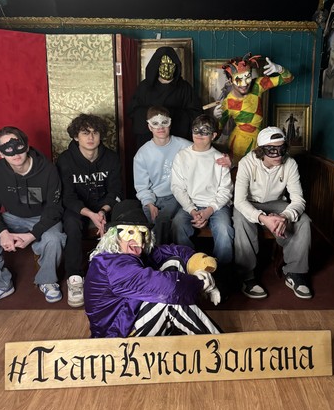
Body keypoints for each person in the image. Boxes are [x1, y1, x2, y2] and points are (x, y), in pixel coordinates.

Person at [84, 199, 221, 338]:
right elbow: (170, 287)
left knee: (175, 262)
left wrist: (198, 264)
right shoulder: (111, 265)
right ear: (114, 235)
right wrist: (201, 283)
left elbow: (173, 251)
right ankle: (222, 346)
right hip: (115, 336)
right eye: (130, 232)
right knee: (171, 301)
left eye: (143, 233)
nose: (139, 240)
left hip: (129, 313)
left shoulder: (133, 252)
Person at [0, 126, 66, 310]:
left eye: (18, 145)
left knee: (54, 238)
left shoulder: (48, 170)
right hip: (12, 217)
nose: (14, 153)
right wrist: (2, 232)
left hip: (43, 217)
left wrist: (33, 235)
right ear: (0, 153)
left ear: (26, 146)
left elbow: (54, 209)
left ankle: (47, 280)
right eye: (7, 148)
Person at [233, 126, 312, 300]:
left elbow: (298, 200)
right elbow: (239, 201)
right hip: (250, 202)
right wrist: (262, 219)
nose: (278, 155)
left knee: (304, 221)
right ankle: (247, 275)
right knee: (240, 220)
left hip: (277, 203)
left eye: (282, 149)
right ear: (261, 150)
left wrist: (285, 216)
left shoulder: (290, 164)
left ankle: (295, 273)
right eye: (272, 150)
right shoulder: (247, 163)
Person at [56, 113, 123, 308]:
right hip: (78, 207)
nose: (91, 137)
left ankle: (118, 274)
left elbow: (116, 191)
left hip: (104, 205)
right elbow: (67, 197)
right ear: (76, 137)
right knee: (71, 224)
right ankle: (75, 278)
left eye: (95, 132)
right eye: (85, 133)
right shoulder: (65, 160)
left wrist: (102, 211)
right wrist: (90, 214)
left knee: (123, 220)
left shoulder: (111, 158)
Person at [171, 114, 234, 286]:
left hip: (216, 206)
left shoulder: (219, 158)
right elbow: (177, 187)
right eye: (196, 130)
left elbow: (225, 190)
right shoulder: (182, 156)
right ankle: (189, 269)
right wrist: (192, 210)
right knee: (178, 224)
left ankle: (220, 276)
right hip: (190, 205)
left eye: (205, 131)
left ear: (213, 135)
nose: (199, 134)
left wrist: (208, 211)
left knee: (224, 229)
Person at [214, 54, 294, 165]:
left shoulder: (257, 85)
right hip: (239, 144)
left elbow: (289, 78)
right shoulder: (227, 103)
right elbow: (216, 133)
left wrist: (279, 69)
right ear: (230, 80)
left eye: (247, 77)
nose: (244, 84)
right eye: (238, 80)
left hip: (260, 140)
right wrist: (216, 118)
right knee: (239, 170)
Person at [133, 105, 192, 245]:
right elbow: (142, 186)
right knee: (154, 229)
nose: (160, 127)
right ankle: (159, 255)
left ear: (170, 124)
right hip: (155, 198)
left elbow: (206, 154)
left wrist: (225, 160)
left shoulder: (185, 146)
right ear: (149, 127)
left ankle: (181, 255)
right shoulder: (142, 154)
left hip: (180, 195)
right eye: (155, 123)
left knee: (172, 224)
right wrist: (149, 203)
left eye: (164, 122)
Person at [128, 46, 202, 148]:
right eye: (163, 65)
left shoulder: (184, 88)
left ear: (175, 66)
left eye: (170, 65)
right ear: (157, 65)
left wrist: (171, 114)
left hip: (177, 141)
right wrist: (154, 114)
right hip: (149, 141)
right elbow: (133, 111)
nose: (166, 68)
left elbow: (195, 114)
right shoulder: (145, 87)